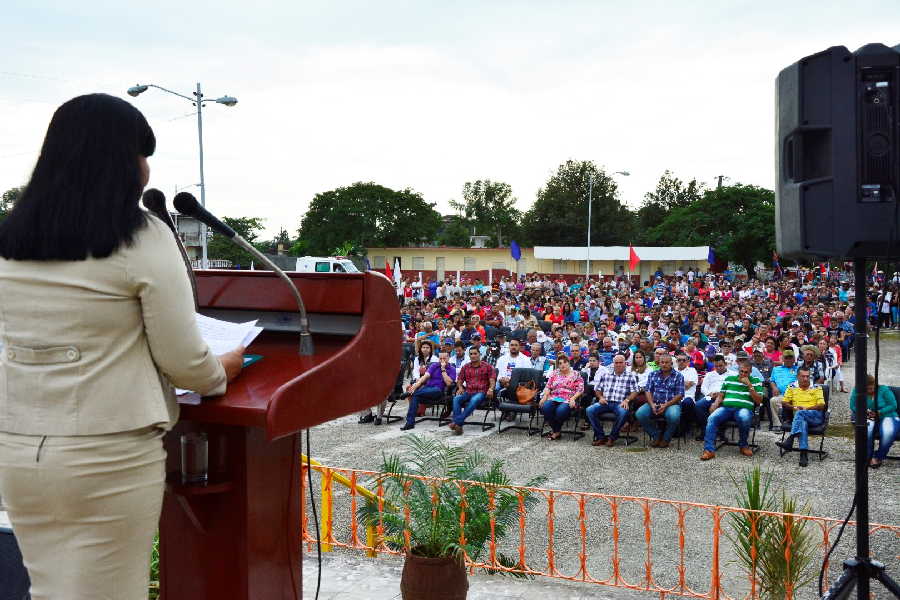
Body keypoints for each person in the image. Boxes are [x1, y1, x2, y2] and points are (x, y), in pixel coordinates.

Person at [0, 94, 245, 599]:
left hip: (20, 451)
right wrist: (225, 368)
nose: (147, 168)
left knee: (48, 590)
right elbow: (184, 361)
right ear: (121, 160)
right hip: (106, 459)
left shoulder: (11, 237)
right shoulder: (140, 237)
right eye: (143, 154)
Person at [699, 362, 763, 460]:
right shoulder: (729, 379)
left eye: (746, 372)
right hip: (726, 408)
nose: (743, 374)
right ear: (738, 371)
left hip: (744, 408)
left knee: (744, 417)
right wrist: (715, 404)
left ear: (750, 372)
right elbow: (721, 395)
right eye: (741, 371)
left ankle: (743, 445)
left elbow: (759, 401)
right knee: (712, 417)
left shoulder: (755, 381)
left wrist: (749, 385)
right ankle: (709, 450)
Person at [775, 367, 826, 467]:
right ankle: (803, 454)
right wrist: (794, 407)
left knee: (801, 413)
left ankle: (790, 439)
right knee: (802, 422)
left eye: (807, 376)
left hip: (815, 416)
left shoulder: (816, 387)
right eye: (803, 376)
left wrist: (806, 409)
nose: (806, 379)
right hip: (799, 418)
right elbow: (784, 402)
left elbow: (822, 405)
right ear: (797, 377)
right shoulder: (792, 387)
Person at [586, 354, 639, 446]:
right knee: (589, 410)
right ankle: (600, 436)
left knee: (623, 413)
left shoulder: (630, 376)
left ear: (625, 364)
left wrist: (627, 400)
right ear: (613, 364)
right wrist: (600, 397)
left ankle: (612, 437)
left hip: (620, 403)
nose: (618, 365)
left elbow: (635, 391)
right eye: (616, 363)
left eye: (620, 362)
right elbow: (597, 389)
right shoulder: (606, 375)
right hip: (606, 402)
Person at [849, 375, 898, 468]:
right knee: (867, 430)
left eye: (871, 388)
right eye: (866, 389)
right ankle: (868, 456)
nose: (869, 391)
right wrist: (864, 410)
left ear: (875, 384)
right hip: (868, 416)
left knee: (888, 432)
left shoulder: (884, 390)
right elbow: (853, 406)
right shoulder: (857, 390)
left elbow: (893, 405)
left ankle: (878, 456)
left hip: (888, 415)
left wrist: (880, 412)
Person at [635, 354, 685, 447]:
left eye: (667, 362)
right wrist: (652, 404)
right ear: (659, 363)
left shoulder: (678, 376)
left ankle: (666, 438)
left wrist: (666, 405)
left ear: (671, 363)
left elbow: (680, 395)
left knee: (674, 416)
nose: (664, 364)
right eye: (662, 362)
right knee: (640, 414)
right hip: (655, 403)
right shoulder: (653, 374)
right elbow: (648, 390)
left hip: (671, 404)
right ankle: (656, 435)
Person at [400, 350, 456, 431]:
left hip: (439, 392)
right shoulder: (434, 366)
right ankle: (410, 423)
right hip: (426, 390)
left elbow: (448, 383)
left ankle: (409, 393)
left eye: (444, 358)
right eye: (440, 358)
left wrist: (443, 369)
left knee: (420, 393)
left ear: (448, 358)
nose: (442, 360)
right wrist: (416, 385)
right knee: (415, 396)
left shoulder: (452, 369)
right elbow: (425, 377)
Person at [449, 347, 495, 435]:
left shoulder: (487, 366)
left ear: (479, 355)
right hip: (468, 391)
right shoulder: (465, 367)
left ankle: (456, 422)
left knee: (474, 400)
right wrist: (460, 388)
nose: (473, 356)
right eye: (471, 354)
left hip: (482, 392)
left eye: (475, 353)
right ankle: (459, 425)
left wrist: (491, 389)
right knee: (456, 399)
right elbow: (460, 380)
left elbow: (492, 380)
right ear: (469, 356)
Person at [539, 355, 584, 440]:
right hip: (554, 397)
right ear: (558, 365)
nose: (562, 365)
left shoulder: (576, 374)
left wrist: (573, 398)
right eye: (560, 363)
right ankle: (557, 431)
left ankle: (556, 431)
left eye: (565, 362)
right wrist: (544, 397)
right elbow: (548, 387)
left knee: (560, 411)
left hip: (568, 398)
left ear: (568, 363)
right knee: (545, 408)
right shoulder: (555, 373)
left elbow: (580, 389)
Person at [694, 355, 729, 438]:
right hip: (711, 396)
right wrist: (710, 393)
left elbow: (733, 388)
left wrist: (721, 394)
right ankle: (705, 430)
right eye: (716, 366)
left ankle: (720, 432)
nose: (718, 368)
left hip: (725, 397)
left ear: (725, 364)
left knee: (723, 407)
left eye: (721, 366)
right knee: (698, 405)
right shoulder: (710, 374)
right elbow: (703, 387)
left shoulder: (732, 375)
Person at [768, 349, 800, 428]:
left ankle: (798, 424)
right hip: (781, 395)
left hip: (795, 395)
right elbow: (772, 380)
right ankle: (777, 425)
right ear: (782, 359)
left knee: (799, 402)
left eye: (790, 358)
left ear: (794, 359)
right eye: (786, 358)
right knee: (773, 400)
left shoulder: (798, 369)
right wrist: (774, 387)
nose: (788, 360)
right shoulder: (776, 369)